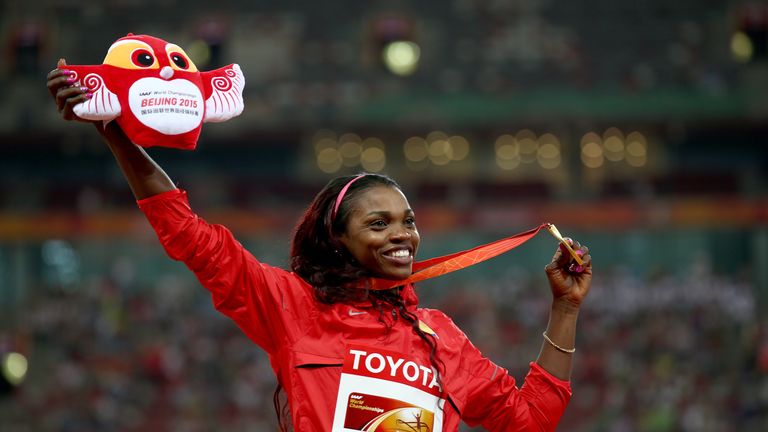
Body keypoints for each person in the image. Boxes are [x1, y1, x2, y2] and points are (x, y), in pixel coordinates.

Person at [47, 59, 593, 432]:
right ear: (338, 239)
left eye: (406, 221)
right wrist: (113, 131)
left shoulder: (441, 336)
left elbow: (528, 420)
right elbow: (190, 234)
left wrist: (565, 308)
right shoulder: (293, 309)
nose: (402, 235)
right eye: (378, 224)